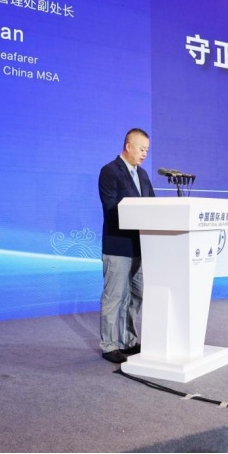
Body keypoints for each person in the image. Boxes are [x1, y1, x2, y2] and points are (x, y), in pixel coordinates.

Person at [97, 128, 156, 363]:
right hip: (118, 245)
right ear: (128, 146)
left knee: (136, 295)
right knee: (114, 297)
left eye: (147, 150)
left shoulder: (143, 175)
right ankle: (109, 345)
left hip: (140, 246)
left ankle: (128, 340)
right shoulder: (110, 171)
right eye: (142, 149)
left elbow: (153, 205)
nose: (144, 154)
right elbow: (110, 207)